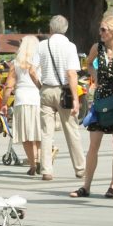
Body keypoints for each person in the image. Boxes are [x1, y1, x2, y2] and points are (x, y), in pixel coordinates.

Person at [71, 15, 113, 198]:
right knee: (94, 144)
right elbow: (88, 63)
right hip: (101, 98)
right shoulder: (97, 47)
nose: (100, 33)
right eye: (100, 29)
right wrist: (95, 76)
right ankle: (86, 185)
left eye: (104, 30)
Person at [37, 15, 86, 181]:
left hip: (46, 89)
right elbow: (71, 73)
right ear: (65, 29)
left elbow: (31, 69)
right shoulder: (69, 46)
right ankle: (80, 168)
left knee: (46, 133)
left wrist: (40, 85)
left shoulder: (42, 45)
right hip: (64, 91)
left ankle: (46, 170)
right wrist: (75, 99)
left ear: (50, 28)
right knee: (71, 129)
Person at [0, 35, 42, 176]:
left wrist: (4, 104)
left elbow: (8, 87)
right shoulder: (40, 61)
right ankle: (40, 158)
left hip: (21, 99)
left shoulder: (16, 63)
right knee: (38, 133)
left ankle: (32, 164)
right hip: (38, 98)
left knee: (26, 135)